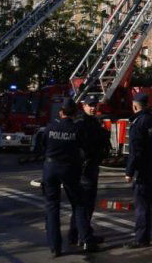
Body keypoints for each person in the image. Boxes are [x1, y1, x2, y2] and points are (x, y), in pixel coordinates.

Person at [42, 99, 97, 257]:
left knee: (52, 208)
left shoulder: (50, 128)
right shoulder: (76, 129)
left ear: (61, 112)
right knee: (79, 204)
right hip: (69, 169)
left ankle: (55, 247)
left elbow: (43, 146)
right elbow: (84, 148)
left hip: (50, 168)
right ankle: (87, 239)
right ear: (74, 113)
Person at [124, 93, 152, 248]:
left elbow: (135, 151)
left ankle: (141, 239)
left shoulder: (138, 124)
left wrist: (129, 172)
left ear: (135, 106)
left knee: (142, 204)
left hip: (144, 170)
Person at [67, 95, 110, 247]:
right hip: (84, 169)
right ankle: (82, 235)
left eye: (94, 105)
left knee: (81, 205)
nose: (93, 108)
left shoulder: (94, 123)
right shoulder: (81, 124)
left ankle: (74, 235)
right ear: (83, 106)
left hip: (91, 166)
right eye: (90, 105)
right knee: (85, 204)